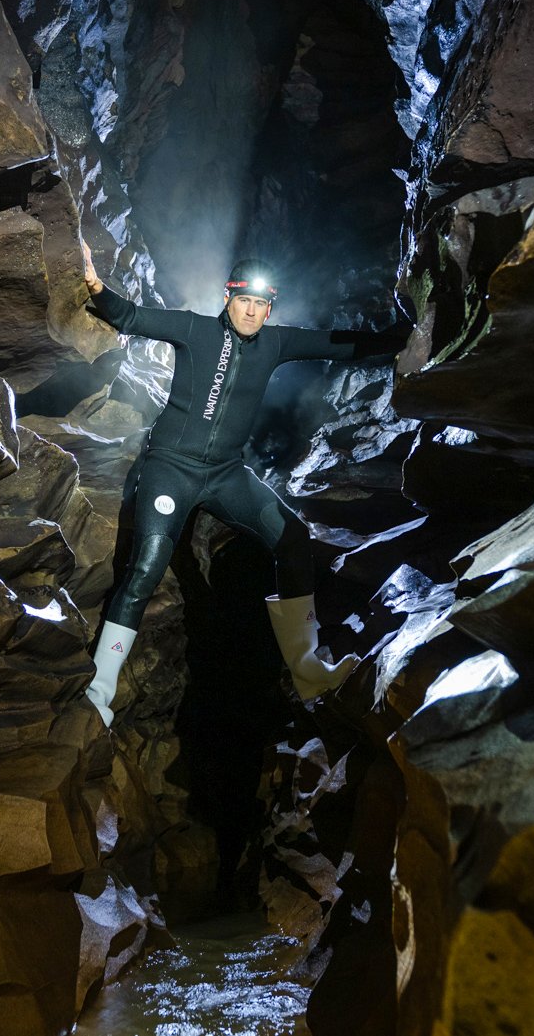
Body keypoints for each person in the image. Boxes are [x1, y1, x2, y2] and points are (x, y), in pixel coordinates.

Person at [78, 239, 411, 726]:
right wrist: (94, 285)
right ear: (228, 298)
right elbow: (130, 317)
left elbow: (339, 345)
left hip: (226, 474)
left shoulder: (276, 342)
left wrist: (405, 336)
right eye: (244, 301)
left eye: (261, 304)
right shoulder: (193, 329)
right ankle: (99, 690)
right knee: (148, 564)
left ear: (268, 306)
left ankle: (308, 670)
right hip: (171, 466)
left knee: (293, 537)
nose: (252, 312)